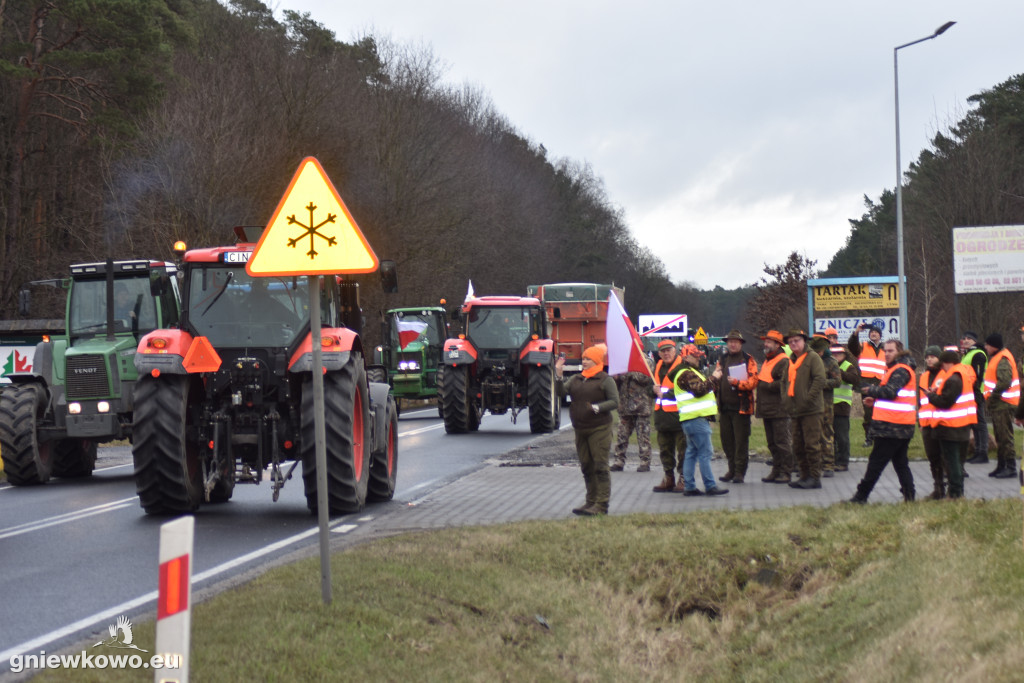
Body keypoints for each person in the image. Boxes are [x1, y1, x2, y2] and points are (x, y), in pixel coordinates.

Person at [849, 339, 917, 503]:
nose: (886, 354)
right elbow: (895, 396)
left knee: (876, 463)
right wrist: (876, 400)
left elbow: (890, 391)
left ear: (899, 351)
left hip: (892, 426)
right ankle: (909, 496)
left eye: (890, 351)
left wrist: (870, 389)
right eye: (885, 351)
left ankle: (861, 496)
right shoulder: (896, 369)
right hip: (899, 425)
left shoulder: (900, 370)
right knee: (900, 463)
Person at [555, 345, 619, 516]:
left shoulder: (605, 380)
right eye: (583, 358)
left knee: (600, 466)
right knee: (586, 466)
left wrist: (598, 407)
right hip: (580, 429)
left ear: (597, 361)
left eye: (588, 359)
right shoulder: (576, 378)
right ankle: (590, 502)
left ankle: (602, 505)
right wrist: (559, 376)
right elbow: (561, 393)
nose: (584, 361)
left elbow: (615, 402)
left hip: (600, 428)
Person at [673, 344, 729, 496]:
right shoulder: (686, 373)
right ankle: (710, 485)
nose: (698, 358)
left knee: (691, 453)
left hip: (690, 419)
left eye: (698, 355)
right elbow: (699, 390)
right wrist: (715, 377)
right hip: (696, 419)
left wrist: (714, 377)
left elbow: (705, 389)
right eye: (694, 355)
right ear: (685, 357)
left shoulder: (688, 372)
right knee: (705, 452)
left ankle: (690, 487)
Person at [926, 349, 976, 499]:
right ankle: (957, 493)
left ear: (947, 363)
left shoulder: (953, 378)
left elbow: (945, 402)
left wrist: (931, 396)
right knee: (957, 462)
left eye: (942, 364)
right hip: (962, 425)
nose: (941, 367)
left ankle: (955, 494)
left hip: (950, 427)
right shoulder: (963, 374)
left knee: (952, 463)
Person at [710, 329, 758, 484]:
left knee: (741, 442)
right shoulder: (722, 359)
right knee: (727, 441)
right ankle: (731, 469)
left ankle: (739, 472)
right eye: (730, 341)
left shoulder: (748, 359)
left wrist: (737, 383)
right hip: (724, 408)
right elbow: (716, 378)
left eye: (735, 341)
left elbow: (753, 382)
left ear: (741, 343)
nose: (732, 344)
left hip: (741, 408)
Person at [784, 329, 826, 489]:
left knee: (811, 444)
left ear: (804, 341)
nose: (793, 343)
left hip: (811, 410)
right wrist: (785, 399)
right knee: (798, 445)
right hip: (795, 410)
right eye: (791, 341)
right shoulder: (791, 360)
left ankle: (815, 478)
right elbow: (784, 382)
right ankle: (804, 476)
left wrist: (808, 399)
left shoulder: (813, 357)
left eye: (797, 340)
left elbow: (820, 379)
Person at [650, 340, 688, 492]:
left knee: (683, 451)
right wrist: (652, 390)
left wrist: (664, 393)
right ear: (659, 353)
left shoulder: (683, 367)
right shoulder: (657, 367)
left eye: (669, 350)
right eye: (663, 351)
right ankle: (668, 478)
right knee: (665, 451)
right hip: (662, 418)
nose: (666, 353)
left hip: (679, 417)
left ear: (675, 351)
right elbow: (652, 389)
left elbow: (685, 390)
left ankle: (684, 478)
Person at [756, 330, 793, 484]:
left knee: (782, 443)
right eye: (766, 341)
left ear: (777, 345)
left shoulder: (783, 360)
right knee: (772, 443)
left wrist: (768, 386)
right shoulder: (768, 359)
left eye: (769, 342)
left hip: (779, 409)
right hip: (767, 409)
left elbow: (785, 383)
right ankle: (776, 470)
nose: (766, 344)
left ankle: (786, 472)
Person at [982, 333, 1019, 478]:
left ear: (993, 346)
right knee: (999, 436)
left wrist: (992, 397)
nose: (985, 347)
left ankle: (1010, 467)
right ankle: (1001, 466)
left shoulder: (1003, 359)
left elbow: (1004, 381)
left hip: (1004, 403)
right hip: (1000, 404)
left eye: (987, 345)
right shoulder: (998, 357)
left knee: (1005, 437)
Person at [848, 323, 885, 448]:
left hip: (881, 384)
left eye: (876, 332)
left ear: (880, 335)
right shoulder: (863, 346)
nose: (873, 334)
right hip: (866, 384)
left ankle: (880, 439)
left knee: (881, 412)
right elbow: (852, 347)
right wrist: (856, 332)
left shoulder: (885, 348)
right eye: (871, 332)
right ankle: (869, 439)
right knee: (868, 413)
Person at [611, 370, 655, 472]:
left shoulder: (646, 362)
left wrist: (630, 371)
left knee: (643, 437)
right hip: (625, 407)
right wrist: (616, 378)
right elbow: (617, 386)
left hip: (641, 407)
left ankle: (645, 462)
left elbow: (645, 379)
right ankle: (619, 461)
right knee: (622, 435)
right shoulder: (623, 365)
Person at [810, 336, 842, 478]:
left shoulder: (831, 362)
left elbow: (837, 381)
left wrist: (820, 383)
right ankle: (813, 464)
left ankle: (828, 464)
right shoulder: (808, 360)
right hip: (810, 402)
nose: (818, 354)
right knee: (811, 433)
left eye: (820, 351)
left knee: (826, 432)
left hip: (826, 403)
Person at [918, 346, 946, 499]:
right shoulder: (923, 376)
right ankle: (938, 488)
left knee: (943, 457)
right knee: (932, 457)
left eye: (933, 357)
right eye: (927, 357)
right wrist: (920, 422)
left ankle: (947, 489)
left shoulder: (946, 375)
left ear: (939, 359)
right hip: (927, 422)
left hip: (941, 421)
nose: (929, 359)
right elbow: (921, 402)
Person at [959, 331, 990, 465]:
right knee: (975, 424)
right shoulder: (967, 353)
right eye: (964, 338)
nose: (965, 340)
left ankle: (983, 452)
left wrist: (974, 390)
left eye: (969, 339)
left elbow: (977, 376)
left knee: (980, 424)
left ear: (974, 341)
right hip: (969, 393)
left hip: (976, 392)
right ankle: (978, 451)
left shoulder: (978, 354)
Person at [831, 345, 860, 471]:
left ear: (844, 355)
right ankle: (833, 460)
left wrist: (839, 372)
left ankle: (843, 462)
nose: (836, 356)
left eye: (838, 354)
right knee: (830, 437)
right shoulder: (827, 365)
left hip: (842, 405)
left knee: (842, 436)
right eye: (834, 354)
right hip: (828, 406)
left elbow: (854, 379)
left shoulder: (848, 366)